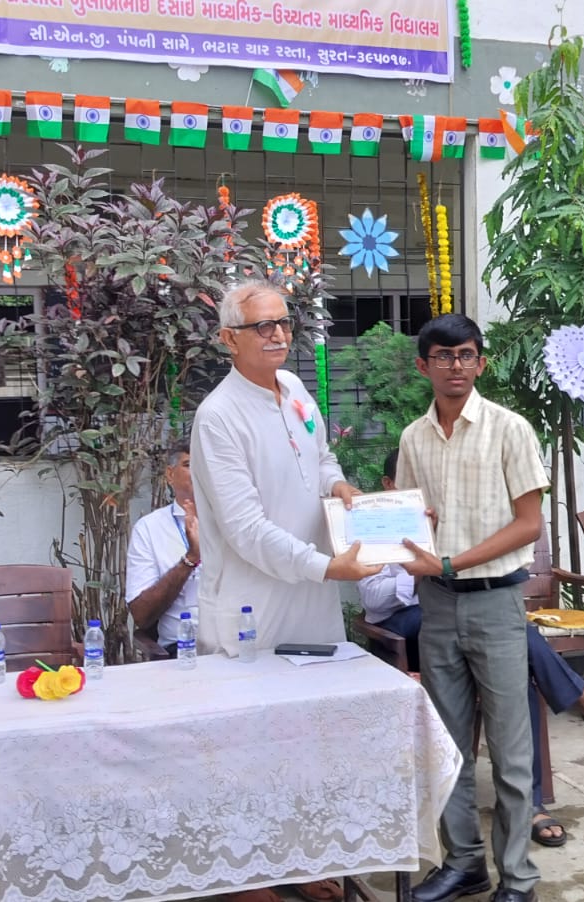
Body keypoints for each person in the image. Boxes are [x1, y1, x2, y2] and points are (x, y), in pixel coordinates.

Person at [359, 450, 584, 849]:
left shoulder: (452, 519)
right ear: (387, 486)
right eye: (408, 479)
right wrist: (423, 577)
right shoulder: (373, 526)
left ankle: (529, 805)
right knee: (496, 633)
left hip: (462, 623)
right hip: (406, 631)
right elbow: (374, 598)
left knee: (518, 670)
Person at [188, 280, 380, 902]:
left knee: (310, 739)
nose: (276, 335)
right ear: (228, 339)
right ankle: (250, 877)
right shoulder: (218, 416)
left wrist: (342, 487)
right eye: (261, 326)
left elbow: (319, 460)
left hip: (312, 602)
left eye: (283, 324)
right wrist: (328, 569)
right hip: (253, 608)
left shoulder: (295, 390)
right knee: (247, 746)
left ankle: (303, 860)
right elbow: (245, 530)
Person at [393, 313, 546, 902]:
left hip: (495, 602)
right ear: (423, 365)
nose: (455, 366)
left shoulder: (510, 430)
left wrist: (451, 562)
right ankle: (464, 864)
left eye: (465, 355)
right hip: (437, 606)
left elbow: (528, 524)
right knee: (447, 746)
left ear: (481, 362)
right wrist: (413, 537)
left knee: (510, 751)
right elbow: (411, 518)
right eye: (442, 356)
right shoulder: (413, 438)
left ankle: (519, 878)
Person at [125, 440, 200, 657]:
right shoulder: (149, 528)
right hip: (182, 649)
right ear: (170, 475)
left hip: (239, 642)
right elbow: (141, 615)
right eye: (189, 464)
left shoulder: (234, 521)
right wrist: (190, 559)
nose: (199, 472)